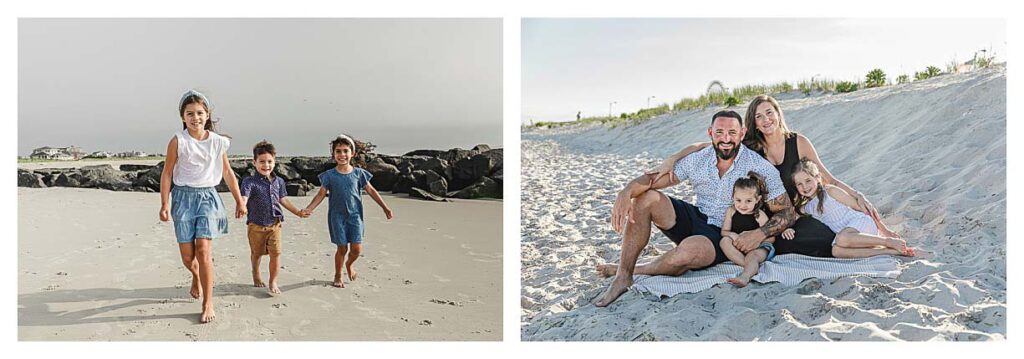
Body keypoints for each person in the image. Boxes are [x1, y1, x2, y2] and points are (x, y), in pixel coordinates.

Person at [649, 95, 898, 257]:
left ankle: (879, 243)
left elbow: (827, 178)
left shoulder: (798, 142)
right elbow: (709, 144)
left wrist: (857, 195)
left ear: (779, 114)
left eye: (770, 113)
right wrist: (674, 158)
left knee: (825, 240)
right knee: (797, 245)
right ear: (753, 123)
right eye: (759, 116)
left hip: (795, 213)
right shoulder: (751, 146)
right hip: (764, 216)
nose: (766, 119)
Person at [594, 110, 796, 307]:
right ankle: (623, 275)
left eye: (732, 133)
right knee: (644, 198)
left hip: (722, 233)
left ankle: (639, 269)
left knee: (687, 252)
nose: (726, 139)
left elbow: (786, 212)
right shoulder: (700, 158)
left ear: (742, 134)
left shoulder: (759, 166)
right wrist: (626, 191)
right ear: (710, 133)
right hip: (696, 216)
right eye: (719, 133)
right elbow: (653, 180)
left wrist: (759, 234)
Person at [158, 89, 246, 323]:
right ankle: (195, 275)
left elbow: (227, 172)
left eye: (199, 113)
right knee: (188, 257)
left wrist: (239, 200)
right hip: (183, 199)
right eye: (190, 114)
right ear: (183, 117)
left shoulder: (218, 143)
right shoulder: (178, 141)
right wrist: (164, 203)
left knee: (203, 250)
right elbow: (167, 174)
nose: (195, 118)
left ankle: (208, 302)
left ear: (207, 115)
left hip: (207, 198)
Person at [303, 134, 394, 288]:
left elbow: (371, 191)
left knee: (356, 249)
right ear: (333, 154)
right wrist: (309, 208)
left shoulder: (359, 174)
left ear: (353, 153)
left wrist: (385, 207)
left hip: (355, 217)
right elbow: (320, 194)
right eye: (338, 151)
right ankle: (338, 274)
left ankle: (349, 264)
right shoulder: (329, 176)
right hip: (337, 217)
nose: (342, 155)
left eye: (346, 151)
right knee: (342, 248)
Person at [790, 159, 915, 258]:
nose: (805, 187)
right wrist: (787, 229)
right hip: (848, 238)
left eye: (808, 180)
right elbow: (791, 218)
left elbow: (862, 208)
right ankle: (889, 252)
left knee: (841, 239)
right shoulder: (806, 207)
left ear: (817, 178)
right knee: (836, 251)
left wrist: (885, 230)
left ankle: (887, 242)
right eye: (799, 184)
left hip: (860, 224)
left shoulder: (830, 191)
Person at [240, 140, 310, 295]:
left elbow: (283, 199)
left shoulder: (279, 181)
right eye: (262, 162)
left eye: (270, 161)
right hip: (255, 225)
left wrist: (298, 212)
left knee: (276, 253)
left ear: (275, 161)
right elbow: (244, 196)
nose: (266, 165)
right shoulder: (249, 181)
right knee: (257, 253)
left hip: (275, 224)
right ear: (254, 162)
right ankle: (256, 273)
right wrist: (242, 206)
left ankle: (273, 281)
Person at [720, 172, 776, 287]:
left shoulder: (759, 215)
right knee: (724, 241)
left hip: (759, 248)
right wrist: (733, 235)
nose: (743, 205)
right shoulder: (731, 211)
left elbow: (771, 238)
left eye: (748, 201)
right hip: (739, 248)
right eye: (738, 200)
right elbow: (724, 231)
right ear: (733, 198)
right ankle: (749, 266)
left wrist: (756, 243)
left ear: (757, 199)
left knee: (753, 256)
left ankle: (745, 276)